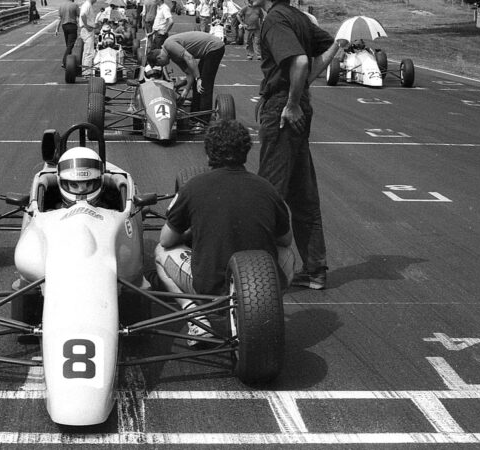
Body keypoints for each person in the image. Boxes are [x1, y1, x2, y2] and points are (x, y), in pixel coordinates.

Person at [154, 120, 294, 345]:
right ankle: (264, 311)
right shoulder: (267, 188)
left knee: (160, 252)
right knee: (286, 254)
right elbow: (285, 239)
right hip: (260, 286)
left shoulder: (192, 186)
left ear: (209, 152)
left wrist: (195, 230)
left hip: (210, 287)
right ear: (246, 151)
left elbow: (166, 239)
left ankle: (197, 319)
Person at [253, 0, 348, 289]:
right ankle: (315, 269)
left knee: (268, 193)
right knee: (303, 195)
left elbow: (302, 61)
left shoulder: (274, 20)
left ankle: (258, 271)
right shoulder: (299, 17)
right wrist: (302, 88)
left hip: (284, 107)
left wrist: (292, 102)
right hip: (298, 105)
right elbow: (333, 46)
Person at [146, 30, 224, 117]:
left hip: (214, 47)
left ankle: (204, 120)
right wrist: (185, 92)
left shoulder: (169, 45)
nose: (162, 66)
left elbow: (189, 58)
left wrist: (198, 78)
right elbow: (189, 73)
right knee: (196, 84)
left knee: (204, 85)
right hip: (208, 49)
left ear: (159, 58)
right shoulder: (173, 56)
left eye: (158, 64)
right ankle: (195, 115)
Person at [55, 0, 79, 69]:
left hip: (64, 26)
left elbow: (59, 18)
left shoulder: (61, 5)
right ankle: (65, 61)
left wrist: (57, 29)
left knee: (68, 44)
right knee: (70, 45)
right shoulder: (75, 5)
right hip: (72, 25)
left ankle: (69, 62)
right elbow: (79, 16)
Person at [79, 0, 98, 76]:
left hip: (87, 29)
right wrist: (87, 26)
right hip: (87, 30)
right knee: (89, 52)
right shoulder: (87, 5)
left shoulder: (87, 5)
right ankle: (87, 72)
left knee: (86, 51)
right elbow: (83, 15)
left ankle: (85, 70)